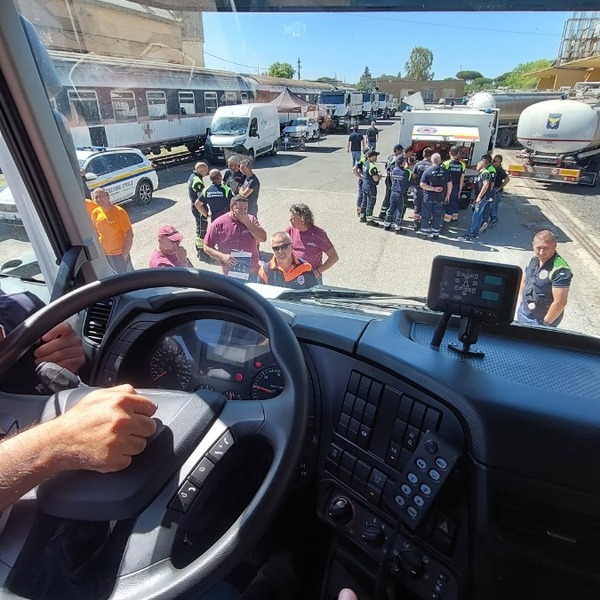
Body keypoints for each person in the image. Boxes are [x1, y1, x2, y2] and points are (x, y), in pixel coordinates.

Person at [203, 195, 267, 282]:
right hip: (230, 274)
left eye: (245, 208)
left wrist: (247, 222)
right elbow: (206, 247)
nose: (243, 211)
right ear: (231, 207)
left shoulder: (251, 219)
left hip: (253, 272)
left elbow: (263, 238)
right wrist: (222, 257)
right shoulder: (219, 223)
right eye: (240, 208)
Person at [517, 230, 572, 327]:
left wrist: (545, 324)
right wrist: (522, 302)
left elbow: (560, 303)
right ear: (533, 245)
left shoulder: (560, 269)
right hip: (524, 313)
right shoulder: (534, 260)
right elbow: (525, 280)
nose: (541, 252)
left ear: (555, 246)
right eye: (538, 248)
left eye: (546, 248)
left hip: (540, 321)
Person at [286, 203, 338, 281]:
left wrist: (318, 272)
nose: (290, 220)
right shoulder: (289, 230)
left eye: (293, 217)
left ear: (302, 220)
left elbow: (334, 257)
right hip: (293, 274)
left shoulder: (319, 234)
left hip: (311, 277)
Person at [90, 187, 134, 274]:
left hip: (119, 254)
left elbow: (129, 234)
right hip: (104, 254)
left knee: (127, 278)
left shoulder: (119, 212)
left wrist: (125, 253)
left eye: (101, 196)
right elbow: (95, 233)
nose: (99, 199)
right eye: (96, 197)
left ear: (108, 196)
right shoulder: (95, 213)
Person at [461, 157, 492, 242]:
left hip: (483, 198)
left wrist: (479, 197)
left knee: (476, 215)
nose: (476, 166)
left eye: (478, 165)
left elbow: (485, 185)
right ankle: (475, 233)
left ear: (482, 165)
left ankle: (470, 234)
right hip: (481, 198)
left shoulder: (485, 173)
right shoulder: (481, 173)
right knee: (479, 215)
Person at [418, 153, 448, 240]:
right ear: (440, 160)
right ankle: (435, 234)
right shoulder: (445, 171)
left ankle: (424, 233)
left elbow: (422, 184)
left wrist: (433, 189)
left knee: (426, 215)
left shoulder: (427, 171)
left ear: (431, 160)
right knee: (437, 216)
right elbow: (450, 184)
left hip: (428, 197)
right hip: (440, 198)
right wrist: (447, 196)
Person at [383, 155, 412, 234]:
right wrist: (407, 167)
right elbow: (410, 180)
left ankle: (386, 224)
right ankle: (398, 228)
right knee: (400, 210)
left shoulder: (394, 170)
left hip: (393, 192)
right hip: (401, 194)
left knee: (391, 208)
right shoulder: (407, 172)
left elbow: (392, 178)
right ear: (403, 163)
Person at [188, 161, 210, 258]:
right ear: (201, 171)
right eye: (206, 170)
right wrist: (205, 213)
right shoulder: (198, 182)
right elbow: (198, 202)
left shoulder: (192, 176)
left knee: (200, 228)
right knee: (202, 230)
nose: (207, 171)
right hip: (199, 209)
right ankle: (202, 253)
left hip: (195, 207)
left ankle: (200, 249)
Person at [379, 144, 404, 220]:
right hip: (391, 180)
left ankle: (383, 212)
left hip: (388, 179)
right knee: (389, 197)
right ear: (397, 150)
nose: (401, 152)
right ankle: (383, 213)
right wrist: (393, 183)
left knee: (387, 196)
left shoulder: (389, 157)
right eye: (400, 151)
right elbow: (391, 173)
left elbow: (386, 167)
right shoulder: (395, 159)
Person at [441, 145, 465, 226]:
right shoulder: (462, 165)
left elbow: (442, 177)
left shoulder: (445, 164)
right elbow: (462, 179)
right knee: (454, 202)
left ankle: (445, 222)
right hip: (456, 186)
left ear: (449, 153)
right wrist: (460, 191)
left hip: (446, 186)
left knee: (446, 203)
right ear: (458, 153)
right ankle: (454, 219)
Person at [411, 148, 433, 232]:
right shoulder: (431, 166)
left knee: (417, 206)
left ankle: (416, 224)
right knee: (426, 207)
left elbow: (414, 176)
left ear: (423, 155)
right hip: (427, 190)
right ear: (431, 156)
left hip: (418, 188)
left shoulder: (417, 164)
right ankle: (425, 224)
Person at [487, 154, 510, 227]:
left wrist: (499, 188)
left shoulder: (500, 170)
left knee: (493, 206)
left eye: (495, 161)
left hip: (497, 192)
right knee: (490, 205)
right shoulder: (493, 168)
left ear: (499, 162)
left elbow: (507, 179)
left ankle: (494, 219)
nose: (493, 162)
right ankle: (491, 219)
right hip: (493, 190)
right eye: (493, 161)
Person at [360, 150, 381, 226]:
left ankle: (362, 216)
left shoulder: (365, 164)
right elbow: (375, 178)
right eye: (375, 156)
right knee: (371, 202)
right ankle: (369, 220)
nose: (376, 157)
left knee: (364, 201)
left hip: (364, 185)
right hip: (370, 186)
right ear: (372, 157)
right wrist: (379, 175)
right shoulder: (372, 166)